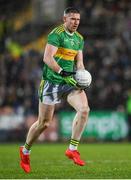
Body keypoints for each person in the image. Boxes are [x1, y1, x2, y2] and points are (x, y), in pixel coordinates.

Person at [19, 7, 90, 173]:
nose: (75, 22)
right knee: (44, 123)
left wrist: (82, 75)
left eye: (78, 20)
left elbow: (79, 62)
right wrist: (62, 72)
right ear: (64, 19)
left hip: (69, 81)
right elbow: (47, 58)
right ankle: (25, 151)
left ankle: (72, 149)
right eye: (72, 19)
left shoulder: (79, 38)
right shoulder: (56, 34)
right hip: (52, 81)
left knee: (84, 110)